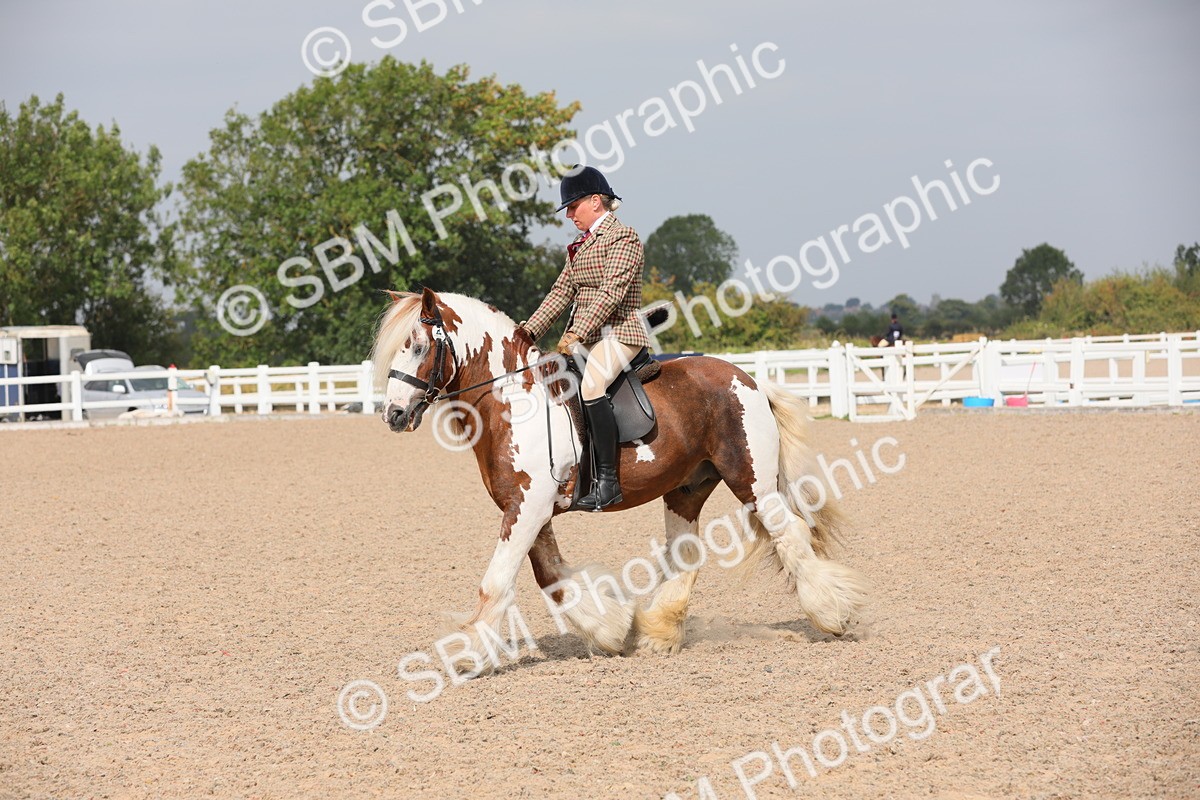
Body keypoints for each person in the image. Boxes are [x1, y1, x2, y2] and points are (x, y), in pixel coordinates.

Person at [518, 166, 649, 511]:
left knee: (591, 387)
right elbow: (561, 292)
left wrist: (576, 332)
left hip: (620, 332)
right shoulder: (579, 245)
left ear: (595, 201)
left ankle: (608, 481)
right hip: (585, 338)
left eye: (574, 206)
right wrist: (528, 330)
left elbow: (611, 293)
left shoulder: (624, 238)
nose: (570, 215)